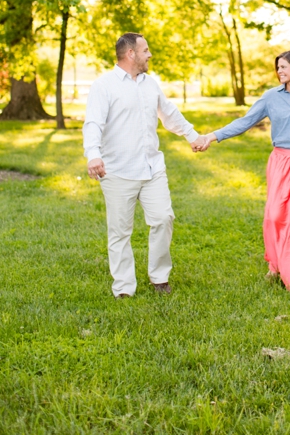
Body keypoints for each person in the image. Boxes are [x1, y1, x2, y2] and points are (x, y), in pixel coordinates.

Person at [191, 49, 290, 290]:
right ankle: (275, 264)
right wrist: (212, 136)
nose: (279, 70)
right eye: (278, 67)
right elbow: (245, 122)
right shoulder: (271, 97)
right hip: (280, 161)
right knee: (274, 216)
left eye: (284, 66)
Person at [83, 33, 203, 298]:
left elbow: (169, 113)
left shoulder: (150, 84)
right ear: (130, 54)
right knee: (120, 232)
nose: (149, 55)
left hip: (152, 169)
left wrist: (193, 136)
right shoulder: (104, 86)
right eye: (145, 50)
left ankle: (159, 277)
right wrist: (93, 154)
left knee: (163, 218)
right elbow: (93, 123)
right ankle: (124, 288)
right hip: (117, 171)